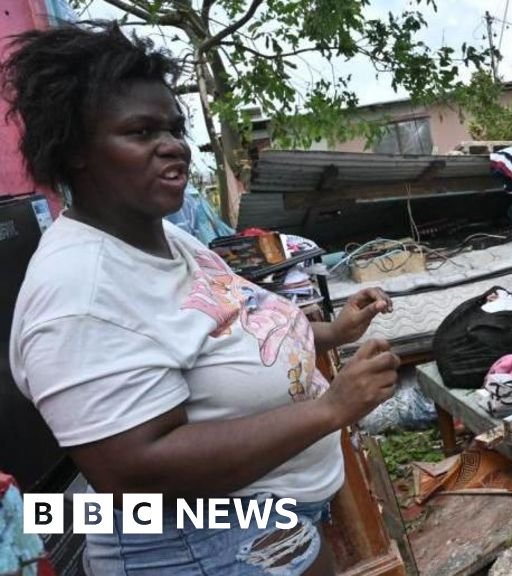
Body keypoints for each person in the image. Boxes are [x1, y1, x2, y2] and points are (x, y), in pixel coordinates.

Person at [3, 22, 400, 575]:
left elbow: (224, 323)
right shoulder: (79, 295)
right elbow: (137, 470)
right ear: (74, 151)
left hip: (260, 517)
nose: (173, 146)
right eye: (140, 132)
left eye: (173, 128)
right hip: (196, 547)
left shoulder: (162, 234)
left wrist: (328, 333)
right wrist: (330, 409)